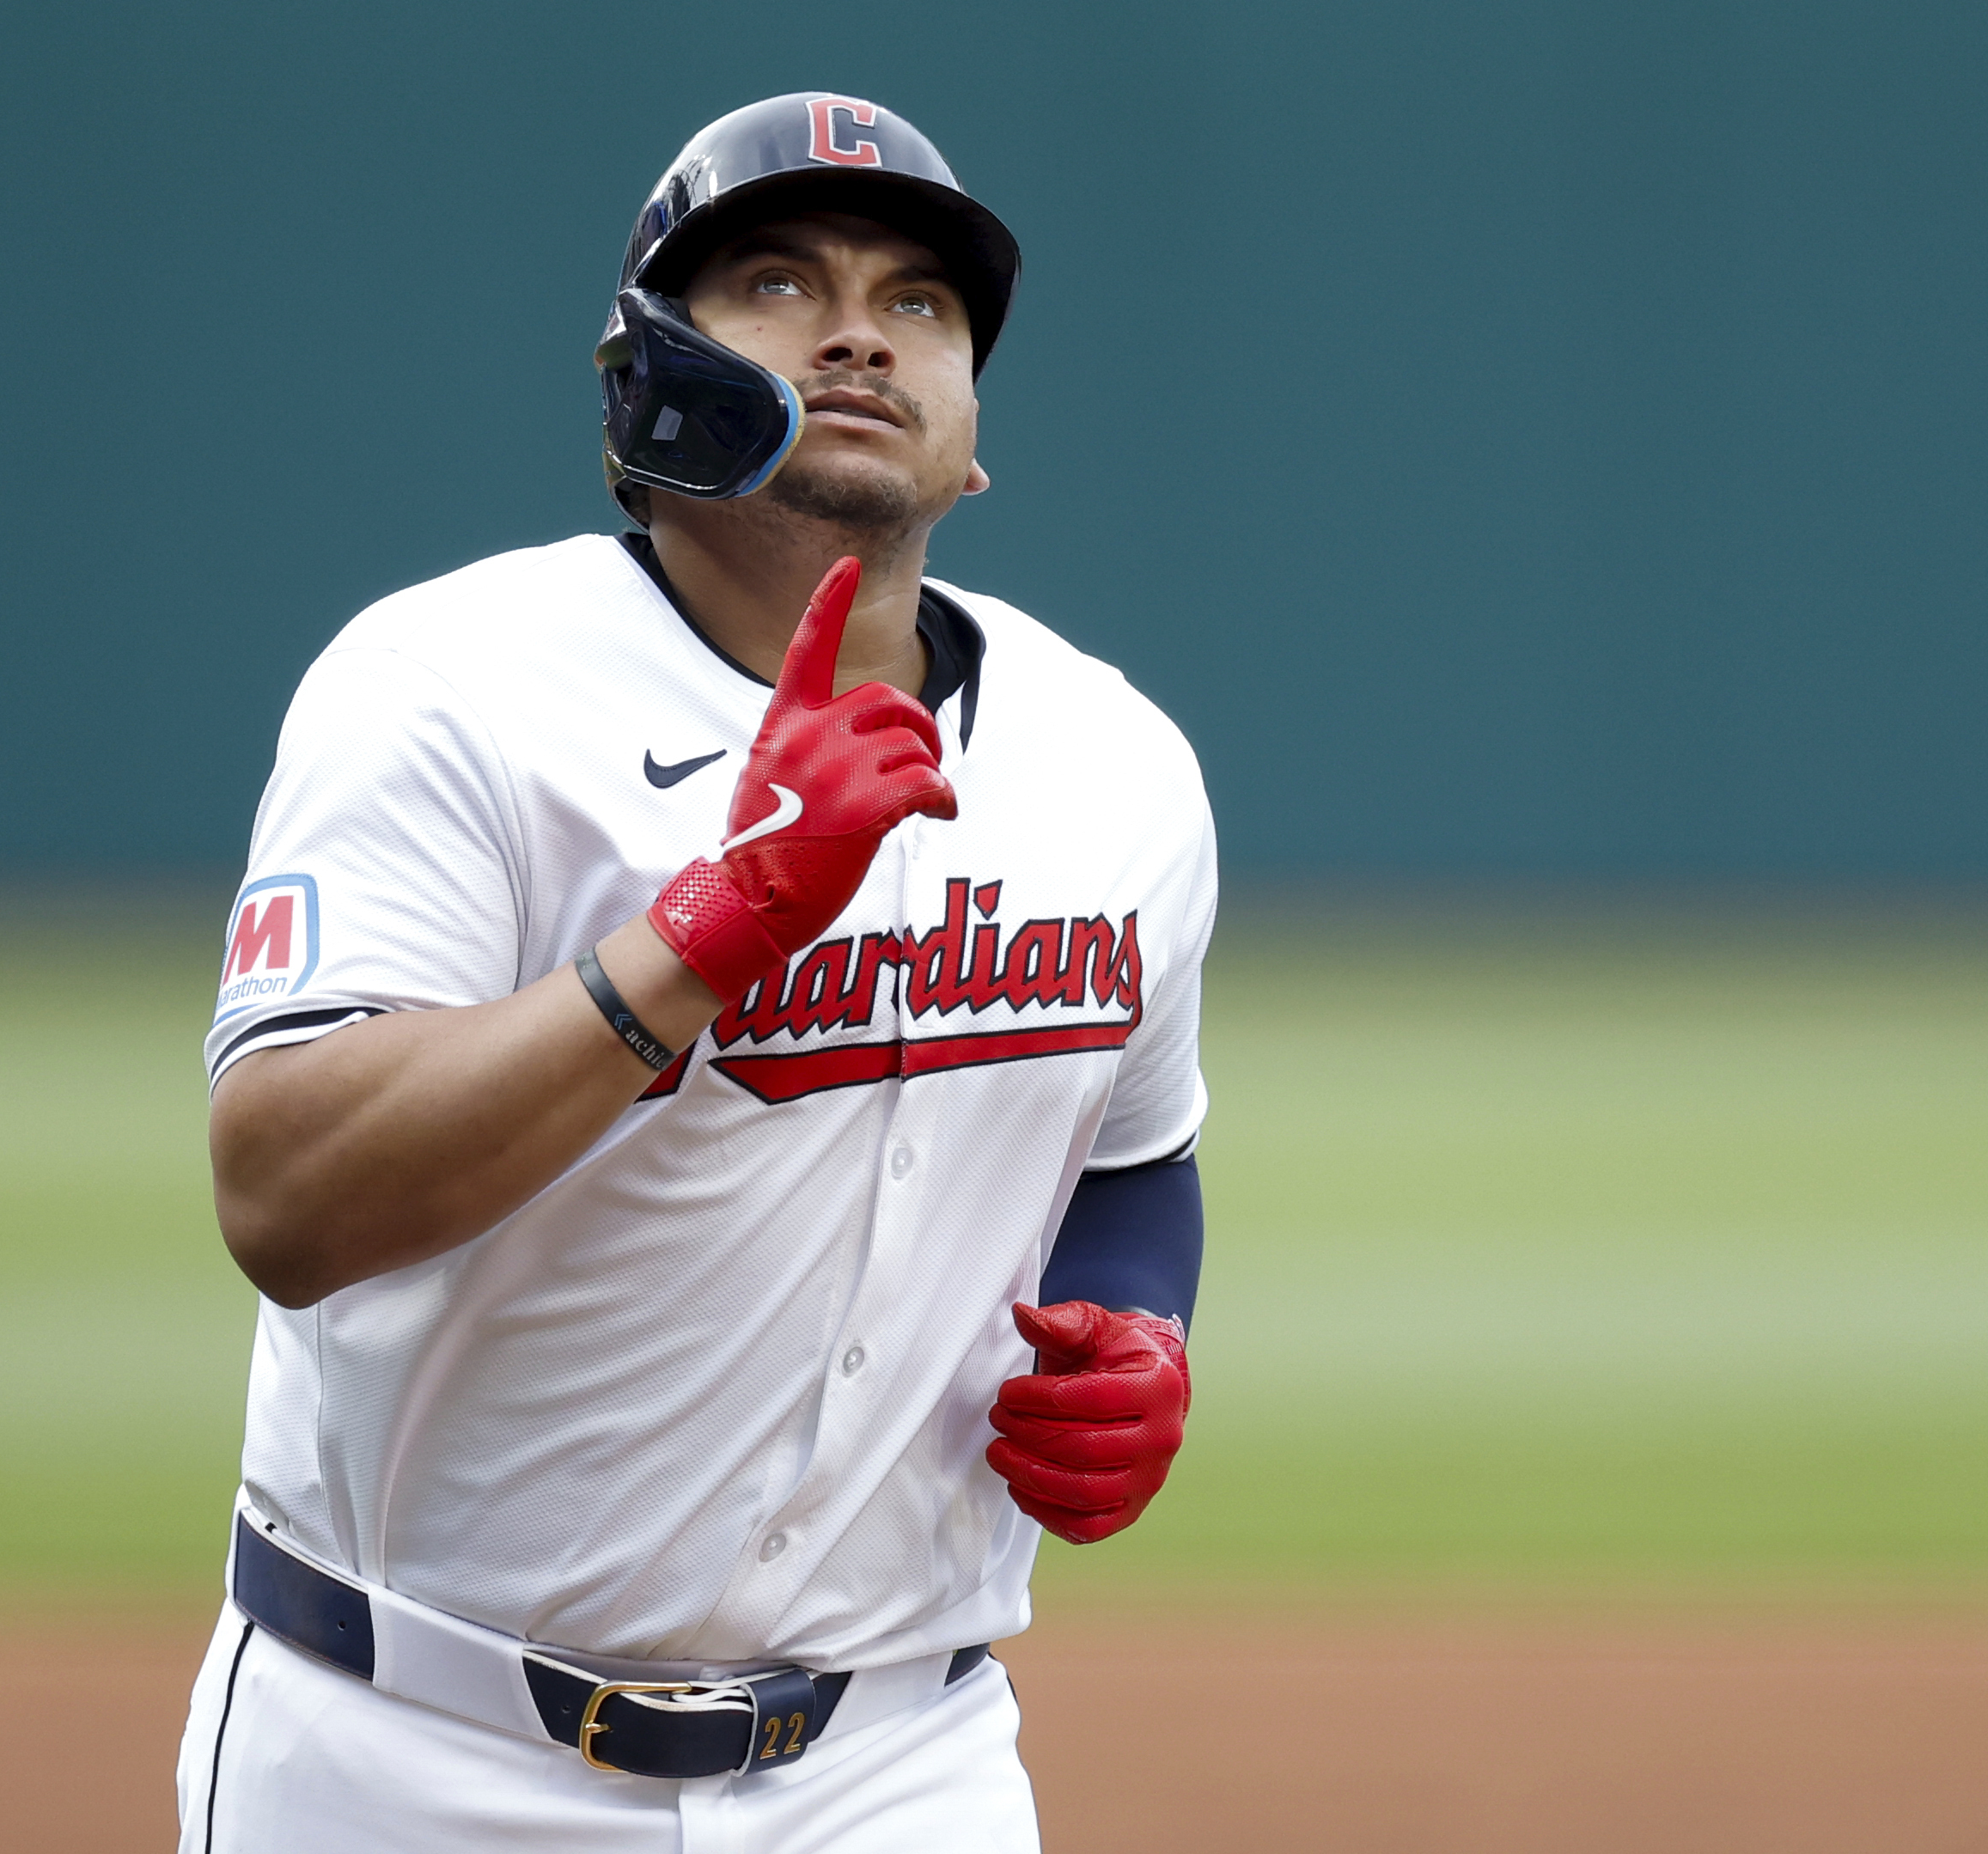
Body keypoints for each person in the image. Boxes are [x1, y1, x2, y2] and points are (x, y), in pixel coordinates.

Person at [177, 91, 1217, 1851]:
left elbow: (1132, 1151)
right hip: (413, 1750)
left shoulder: (1113, 758)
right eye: (771, 280)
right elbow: (285, 1191)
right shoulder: (449, 688)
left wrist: (1139, 1322)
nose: (856, 331)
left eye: (920, 303)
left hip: (899, 1763)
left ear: (970, 434)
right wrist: (703, 935)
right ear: (648, 380)